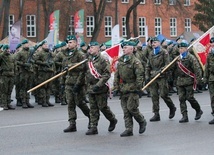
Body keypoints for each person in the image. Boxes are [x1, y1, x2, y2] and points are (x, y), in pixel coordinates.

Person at [113, 40, 147, 137]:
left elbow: (140, 76)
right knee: (125, 110)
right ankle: (128, 129)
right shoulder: (120, 60)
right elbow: (117, 75)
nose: (123, 49)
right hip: (123, 88)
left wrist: (138, 88)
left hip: (133, 88)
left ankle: (142, 121)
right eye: (123, 48)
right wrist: (116, 87)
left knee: (132, 108)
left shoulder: (135, 62)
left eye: (125, 48)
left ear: (131, 49)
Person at [85, 41, 117, 135]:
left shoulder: (103, 59)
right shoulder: (89, 59)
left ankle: (112, 119)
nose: (90, 49)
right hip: (91, 87)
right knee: (93, 108)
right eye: (89, 48)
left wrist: (98, 85)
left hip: (101, 87)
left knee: (102, 107)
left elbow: (106, 74)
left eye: (92, 48)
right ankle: (93, 127)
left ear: (98, 48)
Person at [62, 35, 90, 132]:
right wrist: (63, 81)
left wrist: (79, 84)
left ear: (75, 43)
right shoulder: (67, 54)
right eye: (68, 42)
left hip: (78, 82)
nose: (68, 44)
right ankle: (72, 124)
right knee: (70, 104)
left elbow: (84, 67)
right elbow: (65, 69)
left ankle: (91, 117)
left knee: (80, 103)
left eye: (70, 42)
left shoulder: (80, 54)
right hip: (69, 82)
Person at [145, 37, 176, 122]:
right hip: (153, 78)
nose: (153, 44)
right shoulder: (151, 53)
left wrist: (160, 71)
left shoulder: (164, 52)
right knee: (154, 95)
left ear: (159, 43)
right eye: (152, 43)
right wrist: (147, 77)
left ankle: (172, 107)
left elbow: (167, 65)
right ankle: (156, 114)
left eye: (155, 42)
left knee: (163, 95)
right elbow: (148, 66)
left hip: (162, 76)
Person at [175, 40, 203, 123]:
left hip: (189, 80)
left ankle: (198, 110)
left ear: (186, 49)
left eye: (182, 48)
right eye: (179, 48)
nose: (180, 50)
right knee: (181, 99)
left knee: (190, 98)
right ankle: (184, 116)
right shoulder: (178, 58)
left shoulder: (191, 58)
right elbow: (173, 69)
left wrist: (198, 80)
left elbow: (197, 69)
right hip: (180, 81)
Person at [34, 40, 55, 107]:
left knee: (49, 86)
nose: (46, 46)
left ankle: (47, 100)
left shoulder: (49, 53)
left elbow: (54, 57)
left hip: (49, 71)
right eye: (45, 45)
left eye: (47, 45)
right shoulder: (40, 53)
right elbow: (35, 60)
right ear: (42, 46)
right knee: (43, 87)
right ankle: (43, 101)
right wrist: (43, 63)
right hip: (43, 72)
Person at [15, 39, 34, 108]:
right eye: (26, 44)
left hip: (30, 71)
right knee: (23, 87)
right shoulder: (20, 53)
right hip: (23, 72)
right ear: (23, 45)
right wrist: (24, 64)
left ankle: (27, 101)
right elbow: (16, 61)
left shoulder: (30, 51)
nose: (27, 45)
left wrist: (31, 61)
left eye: (28, 44)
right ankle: (23, 101)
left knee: (28, 87)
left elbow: (34, 59)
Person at [0, 45, 15, 110]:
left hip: (11, 74)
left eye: (9, 49)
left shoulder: (11, 56)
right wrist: (3, 52)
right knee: (4, 90)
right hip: (4, 75)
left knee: (10, 90)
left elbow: (14, 64)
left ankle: (8, 103)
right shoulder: (2, 56)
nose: (8, 50)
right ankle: (4, 104)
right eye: (7, 49)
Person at [203, 37, 214, 124]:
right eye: (211, 43)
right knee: (213, 97)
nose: (212, 45)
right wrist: (205, 78)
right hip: (212, 78)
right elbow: (207, 67)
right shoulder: (210, 54)